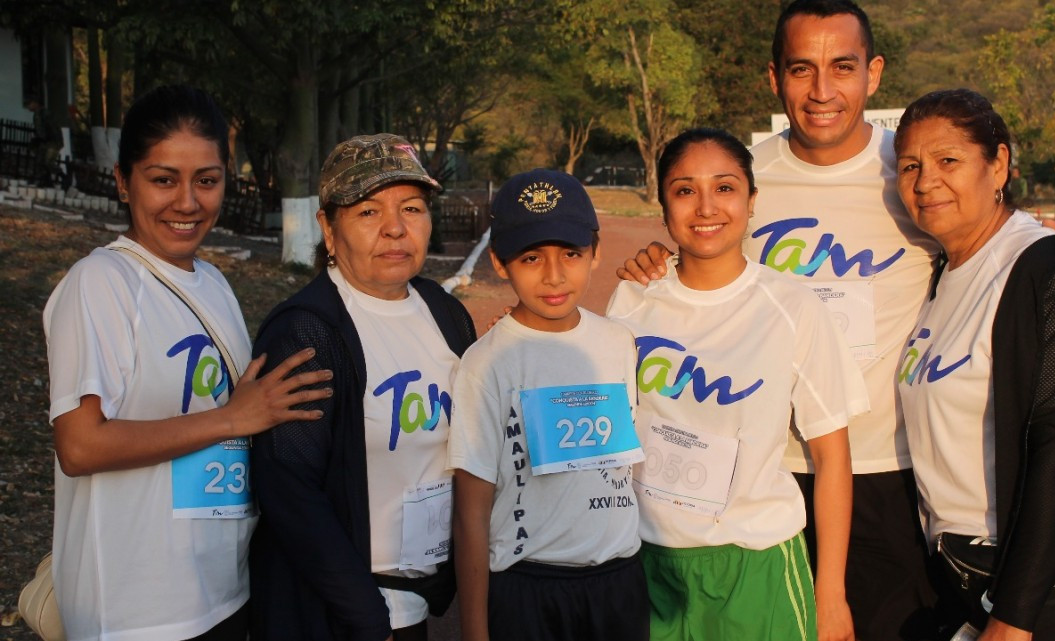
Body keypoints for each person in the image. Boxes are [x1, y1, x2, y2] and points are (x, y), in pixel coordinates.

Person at [616, 2, 1055, 639]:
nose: (823, 91)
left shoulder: (910, 167)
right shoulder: (743, 178)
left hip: (886, 473)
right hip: (759, 478)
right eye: (803, 69)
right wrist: (657, 261)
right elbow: (701, 267)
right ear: (775, 78)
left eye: (843, 67)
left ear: (873, 73)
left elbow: (992, 238)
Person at [43, 85, 330, 641]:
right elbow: (79, 446)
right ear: (124, 181)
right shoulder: (101, 283)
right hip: (137, 611)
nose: (188, 202)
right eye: (163, 179)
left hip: (222, 588)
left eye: (206, 179)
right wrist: (232, 419)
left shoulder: (214, 282)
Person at [608, 128, 868, 641]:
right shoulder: (631, 303)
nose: (706, 207)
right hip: (648, 561)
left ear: (752, 201)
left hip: (757, 563)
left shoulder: (792, 307)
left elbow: (833, 455)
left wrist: (831, 595)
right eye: (685, 190)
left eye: (724, 188)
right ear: (664, 209)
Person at [893, 88, 1055, 641]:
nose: (926, 181)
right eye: (910, 165)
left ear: (998, 164)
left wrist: (1014, 615)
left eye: (948, 160)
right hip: (963, 565)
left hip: (1043, 580)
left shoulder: (1046, 268)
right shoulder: (941, 270)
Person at [249, 134, 476, 641]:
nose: (396, 228)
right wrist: (364, 614)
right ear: (328, 229)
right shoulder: (304, 332)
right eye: (368, 212)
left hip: (413, 600)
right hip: (338, 614)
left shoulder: (446, 313)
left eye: (411, 208)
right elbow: (290, 493)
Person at [449, 169, 649, 641]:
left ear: (595, 254)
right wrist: (476, 633)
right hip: (529, 590)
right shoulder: (486, 363)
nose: (554, 276)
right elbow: (471, 512)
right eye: (532, 257)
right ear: (500, 263)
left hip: (618, 583)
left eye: (571, 254)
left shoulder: (619, 342)